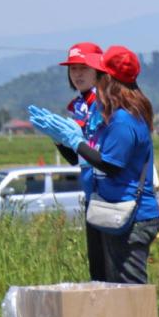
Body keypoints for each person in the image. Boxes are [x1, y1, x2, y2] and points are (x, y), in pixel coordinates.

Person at [32, 47, 159, 284]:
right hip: (109, 208)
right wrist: (61, 139)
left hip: (130, 214)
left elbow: (111, 165)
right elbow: (85, 158)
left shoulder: (123, 119)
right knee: (107, 285)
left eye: (97, 73)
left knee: (129, 290)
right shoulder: (113, 114)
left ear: (107, 78)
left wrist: (75, 141)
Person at [30, 42, 107, 280]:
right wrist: (58, 139)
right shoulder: (79, 105)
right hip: (91, 192)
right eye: (73, 69)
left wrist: (74, 139)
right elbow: (75, 158)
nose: (77, 74)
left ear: (98, 69)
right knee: (98, 270)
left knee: (111, 271)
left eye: (84, 68)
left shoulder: (105, 101)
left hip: (109, 192)